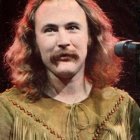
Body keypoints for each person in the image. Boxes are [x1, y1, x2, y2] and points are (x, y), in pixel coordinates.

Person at [0, 0, 140, 139]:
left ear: (91, 37)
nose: (63, 41)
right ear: (34, 42)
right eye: (50, 30)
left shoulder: (122, 107)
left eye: (72, 27)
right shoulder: (8, 109)